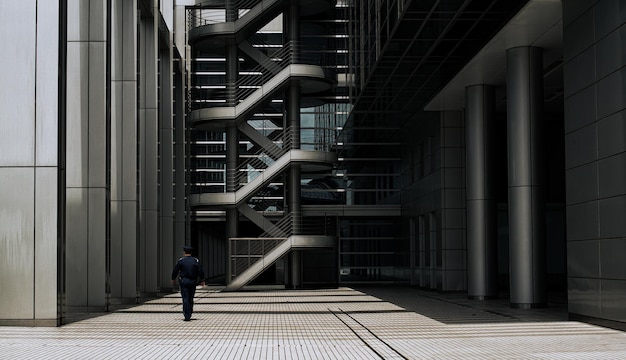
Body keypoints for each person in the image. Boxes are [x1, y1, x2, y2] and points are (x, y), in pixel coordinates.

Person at [171, 246, 205, 321]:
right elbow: (200, 270)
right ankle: (190, 311)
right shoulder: (195, 261)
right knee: (191, 297)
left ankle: (187, 314)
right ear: (191, 253)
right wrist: (202, 280)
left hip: (183, 281)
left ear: (184, 252)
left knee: (185, 297)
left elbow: (175, 270)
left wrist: (173, 278)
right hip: (193, 281)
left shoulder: (181, 261)